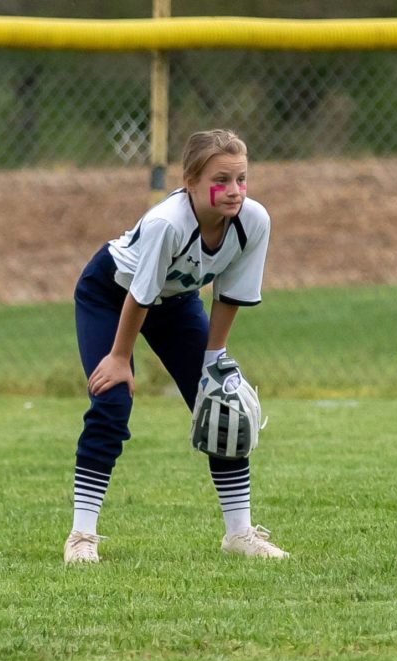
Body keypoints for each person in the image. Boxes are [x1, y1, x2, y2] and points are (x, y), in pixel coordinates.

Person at [64, 129, 288, 564]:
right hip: (111, 294)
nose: (234, 190)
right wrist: (119, 357)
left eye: (241, 179)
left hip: (176, 302)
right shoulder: (168, 223)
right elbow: (139, 295)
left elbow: (229, 295)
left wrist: (214, 361)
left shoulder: (254, 221)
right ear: (190, 182)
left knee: (225, 404)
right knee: (111, 401)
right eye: (220, 180)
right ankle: (81, 536)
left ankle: (239, 534)